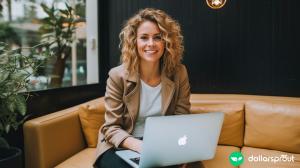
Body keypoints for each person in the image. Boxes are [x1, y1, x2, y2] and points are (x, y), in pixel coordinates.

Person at [94, 8, 197, 168]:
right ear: (134, 42)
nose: (151, 44)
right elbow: (111, 128)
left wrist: (179, 150)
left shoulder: (179, 73)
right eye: (144, 37)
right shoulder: (117, 75)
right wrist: (143, 148)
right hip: (123, 144)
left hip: (161, 143)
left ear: (167, 42)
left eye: (158, 37)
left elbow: (181, 119)